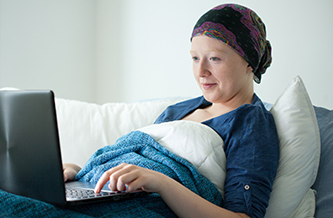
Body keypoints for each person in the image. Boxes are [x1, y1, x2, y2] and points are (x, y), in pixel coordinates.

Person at [63, 4, 279, 218]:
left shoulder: (251, 123)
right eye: (195, 58)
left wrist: (160, 183)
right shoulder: (177, 111)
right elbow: (137, 160)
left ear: (249, 62)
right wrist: (80, 175)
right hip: (108, 194)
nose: (201, 71)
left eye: (214, 58)